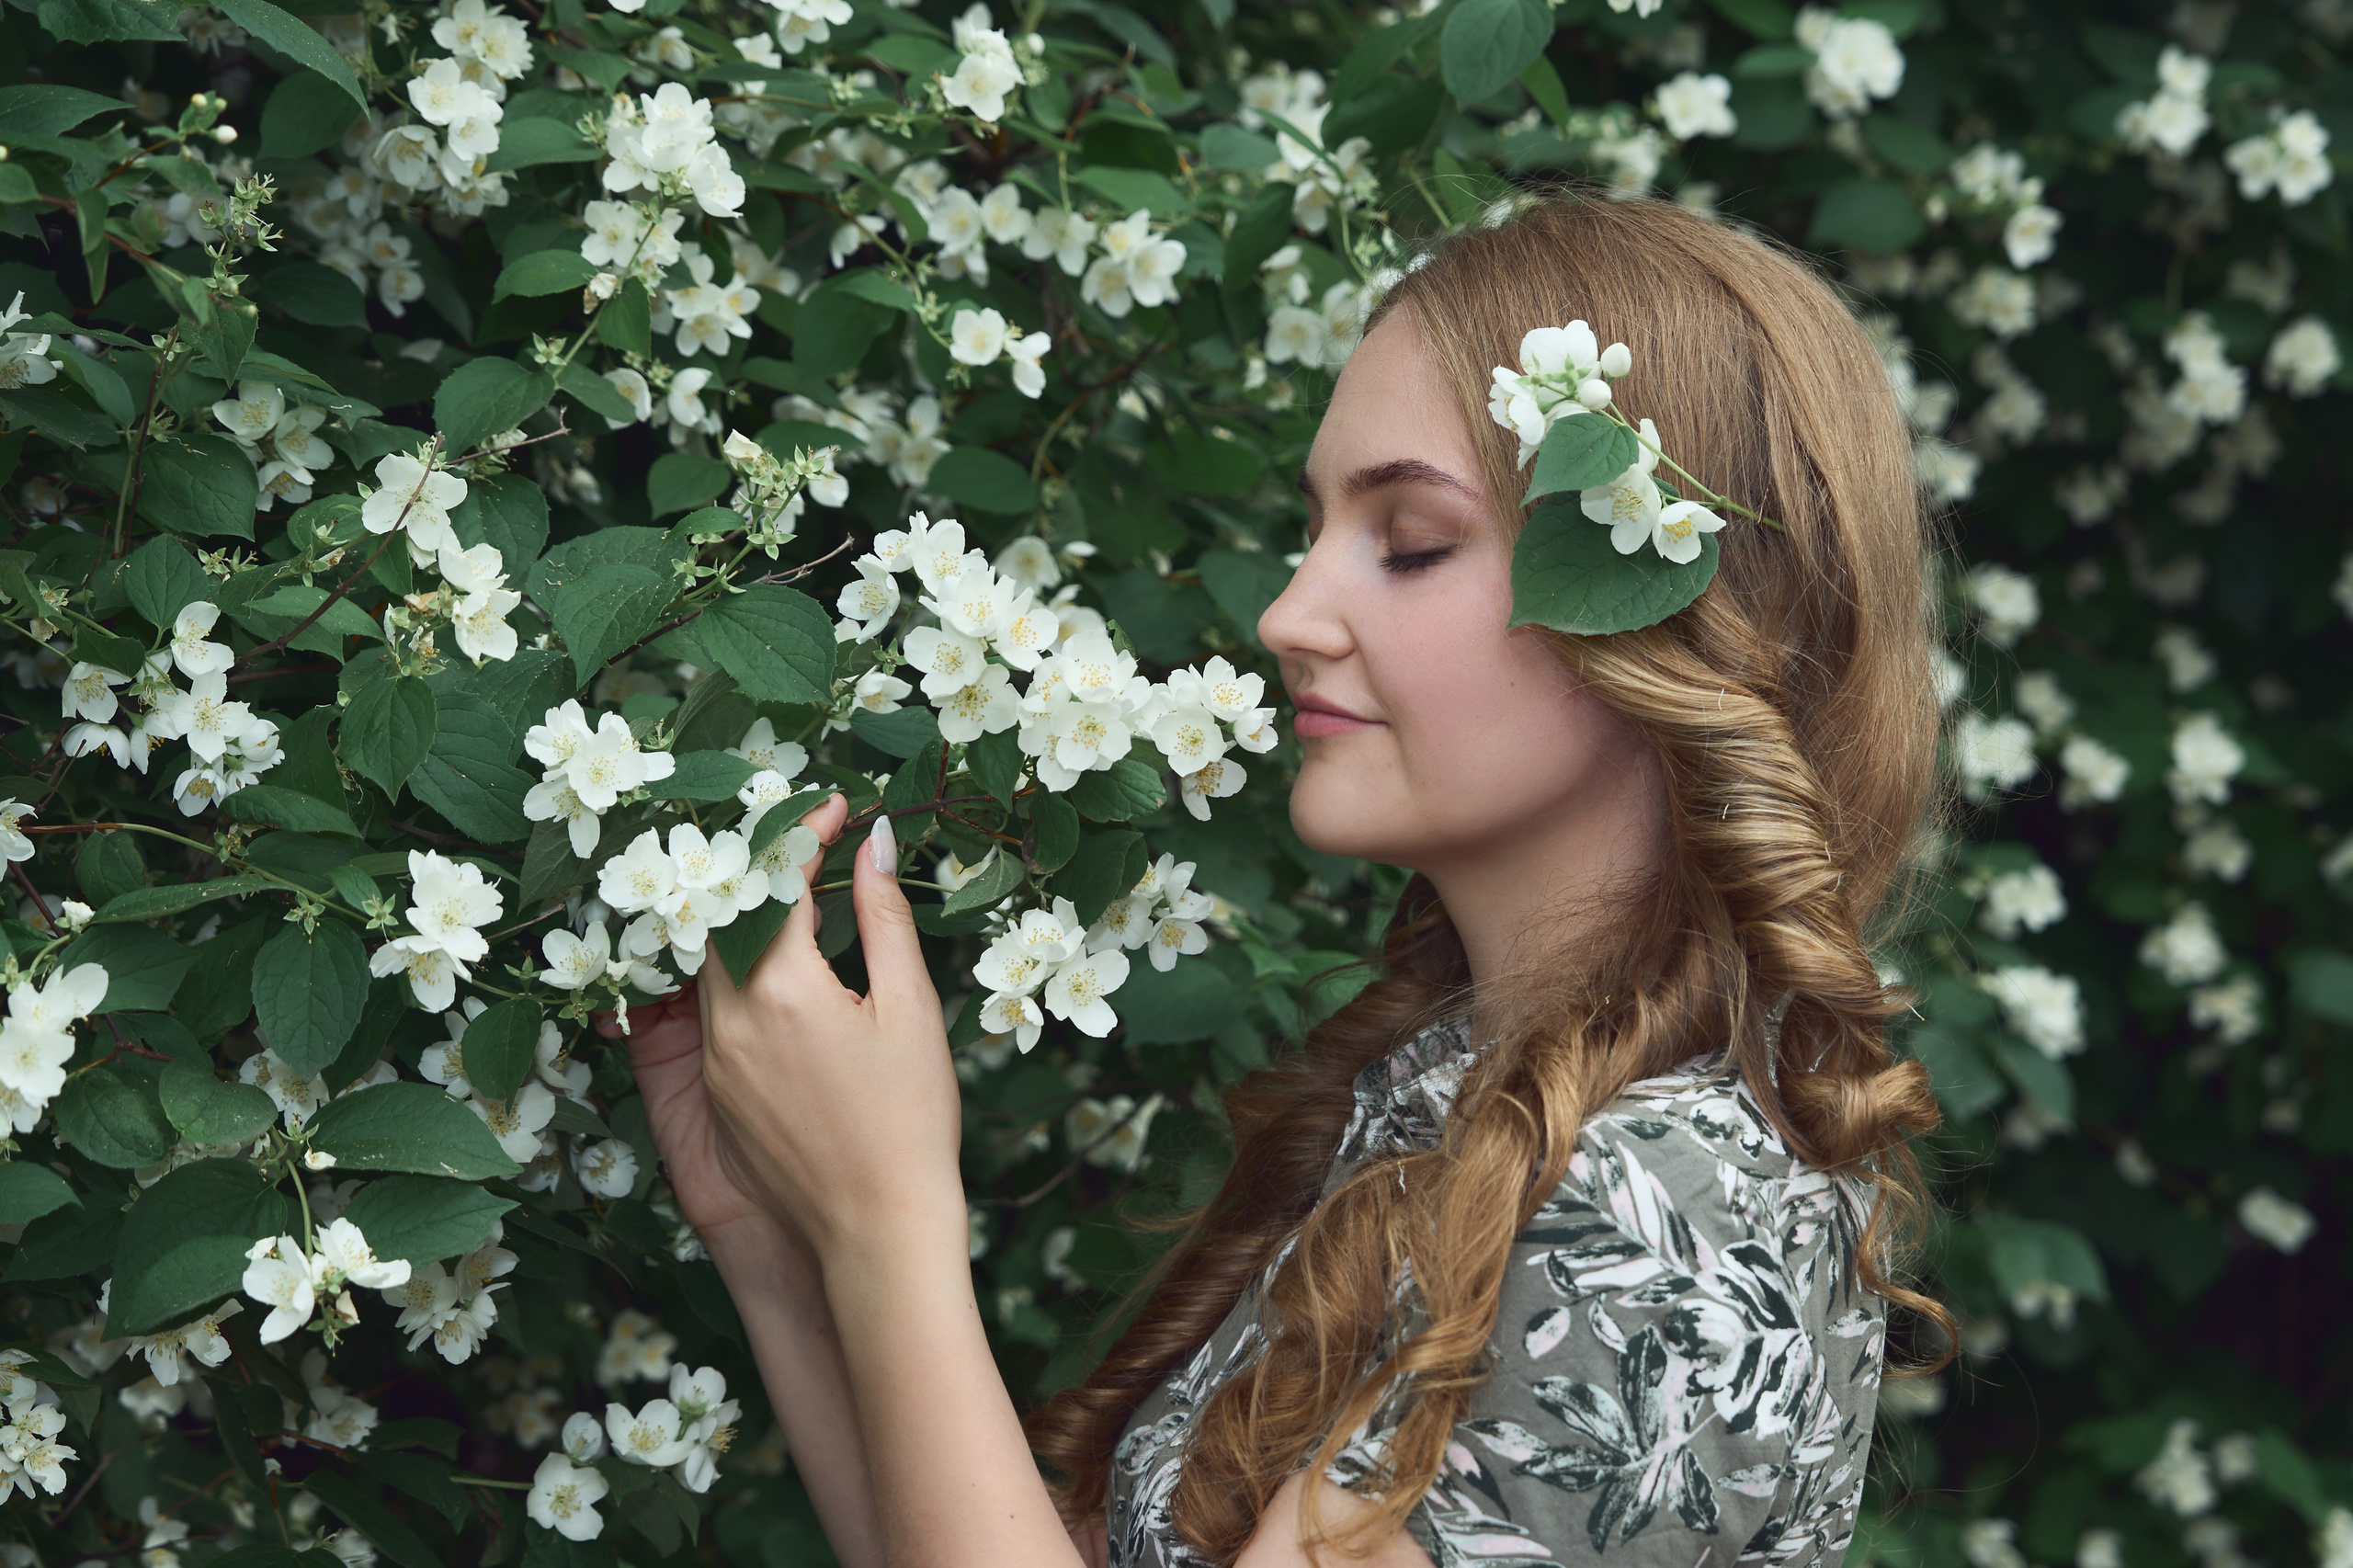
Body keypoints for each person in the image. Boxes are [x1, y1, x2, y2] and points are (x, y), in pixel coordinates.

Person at [601, 192, 1950, 1568]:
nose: (1290, 613)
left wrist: (892, 1213)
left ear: (1667, 608)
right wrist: (788, 1239)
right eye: (1315, 528)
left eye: (1412, 540)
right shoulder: (1466, 1101)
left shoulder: (1667, 1227)